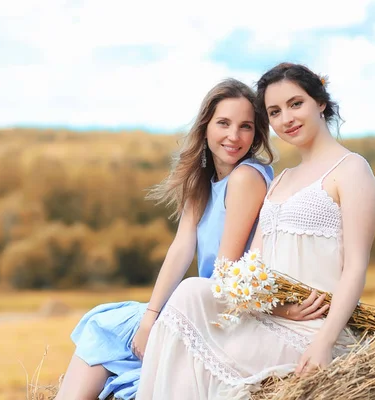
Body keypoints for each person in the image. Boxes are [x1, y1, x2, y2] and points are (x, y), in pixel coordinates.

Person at [136, 62, 375, 400]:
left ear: (320, 102)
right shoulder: (281, 180)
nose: (287, 119)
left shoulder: (352, 170)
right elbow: (251, 267)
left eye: (296, 104)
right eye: (275, 111)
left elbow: (355, 267)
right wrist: (273, 308)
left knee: (191, 303)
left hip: (315, 328)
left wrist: (323, 342)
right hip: (272, 319)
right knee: (191, 293)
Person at [54, 78, 278, 400]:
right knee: (109, 324)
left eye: (246, 126)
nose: (234, 136)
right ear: (205, 127)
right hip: (203, 299)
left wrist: (162, 321)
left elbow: (226, 273)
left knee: (105, 326)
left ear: (257, 134)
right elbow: (181, 248)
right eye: (224, 123)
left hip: (225, 308)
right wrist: (150, 317)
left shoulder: (245, 178)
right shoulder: (204, 181)